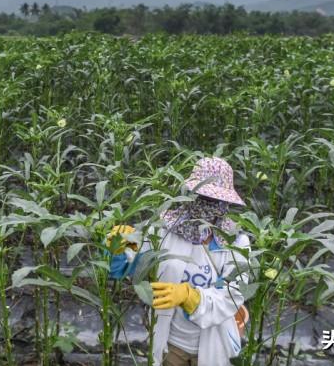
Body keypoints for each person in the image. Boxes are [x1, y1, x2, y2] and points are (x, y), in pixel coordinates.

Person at [106, 156, 251, 366]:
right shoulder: (163, 230)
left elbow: (233, 293)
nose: (207, 205)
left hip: (214, 343)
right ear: (189, 194)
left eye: (214, 200)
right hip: (172, 343)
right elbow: (127, 264)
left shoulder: (235, 240)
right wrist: (121, 245)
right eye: (202, 196)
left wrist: (190, 296)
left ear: (226, 202)